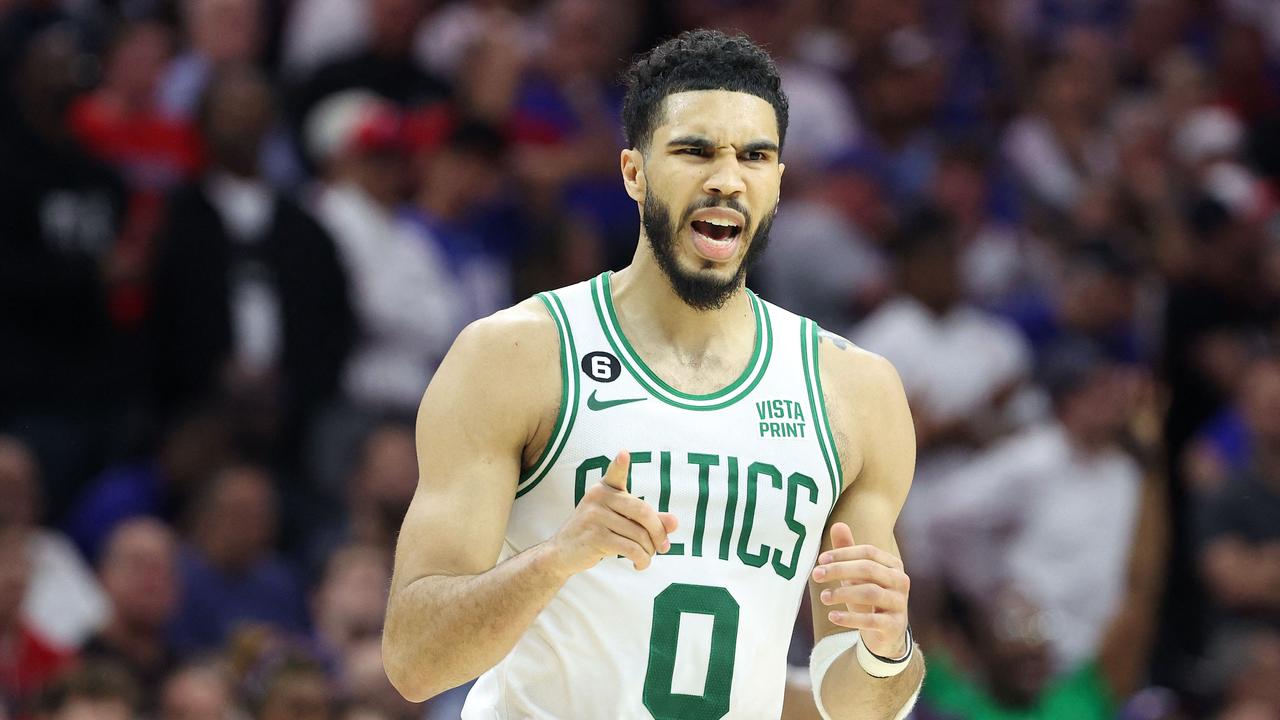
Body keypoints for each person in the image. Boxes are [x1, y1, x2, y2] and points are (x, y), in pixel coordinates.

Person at [383, 30, 923, 719]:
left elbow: (854, 706)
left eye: (755, 155)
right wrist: (556, 558)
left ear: (778, 182)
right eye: (695, 150)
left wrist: (886, 648)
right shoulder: (517, 355)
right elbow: (414, 660)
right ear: (635, 173)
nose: (727, 177)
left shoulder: (854, 390)